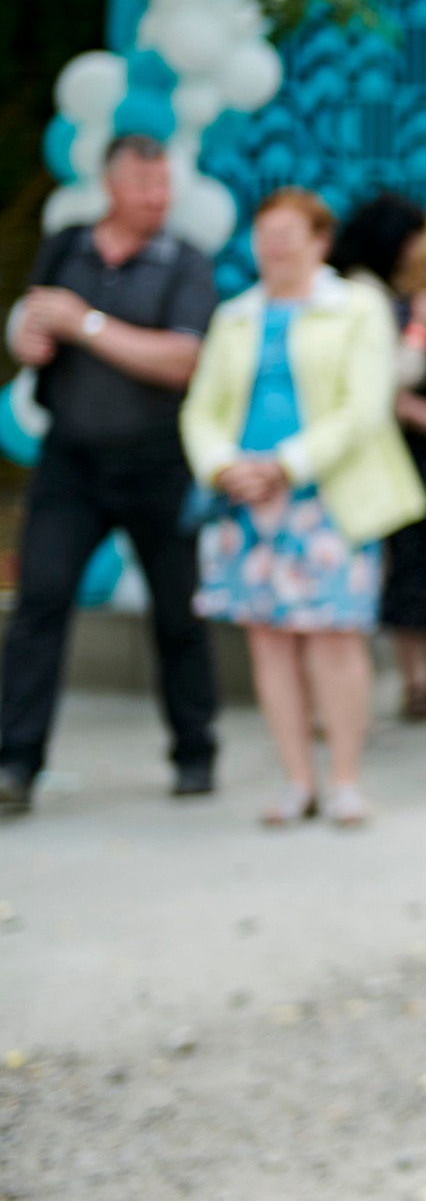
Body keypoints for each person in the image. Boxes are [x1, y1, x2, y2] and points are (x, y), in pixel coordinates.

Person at [182, 190, 426, 827]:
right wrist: (223, 465)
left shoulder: (357, 305)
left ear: (320, 241)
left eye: (288, 233)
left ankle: (344, 778)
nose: (275, 246)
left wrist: (285, 464)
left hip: (326, 498)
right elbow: (201, 409)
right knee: (269, 643)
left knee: (333, 638)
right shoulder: (236, 315)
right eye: (265, 234)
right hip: (246, 502)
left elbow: (363, 406)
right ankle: (296, 779)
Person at [1, 133, 221, 818]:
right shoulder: (67, 243)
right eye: (144, 184)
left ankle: (194, 751)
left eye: (165, 184)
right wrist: (28, 337)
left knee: (176, 610)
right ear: (111, 185)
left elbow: (183, 359)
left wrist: (87, 322)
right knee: (39, 602)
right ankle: (16, 760)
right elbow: (35, 324)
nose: (158, 197)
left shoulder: (185, 262)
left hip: (157, 460)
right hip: (71, 458)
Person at [333, 197, 426, 723]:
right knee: (410, 571)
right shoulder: (366, 296)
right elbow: (395, 377)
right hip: (400, 455)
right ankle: (414, 682)